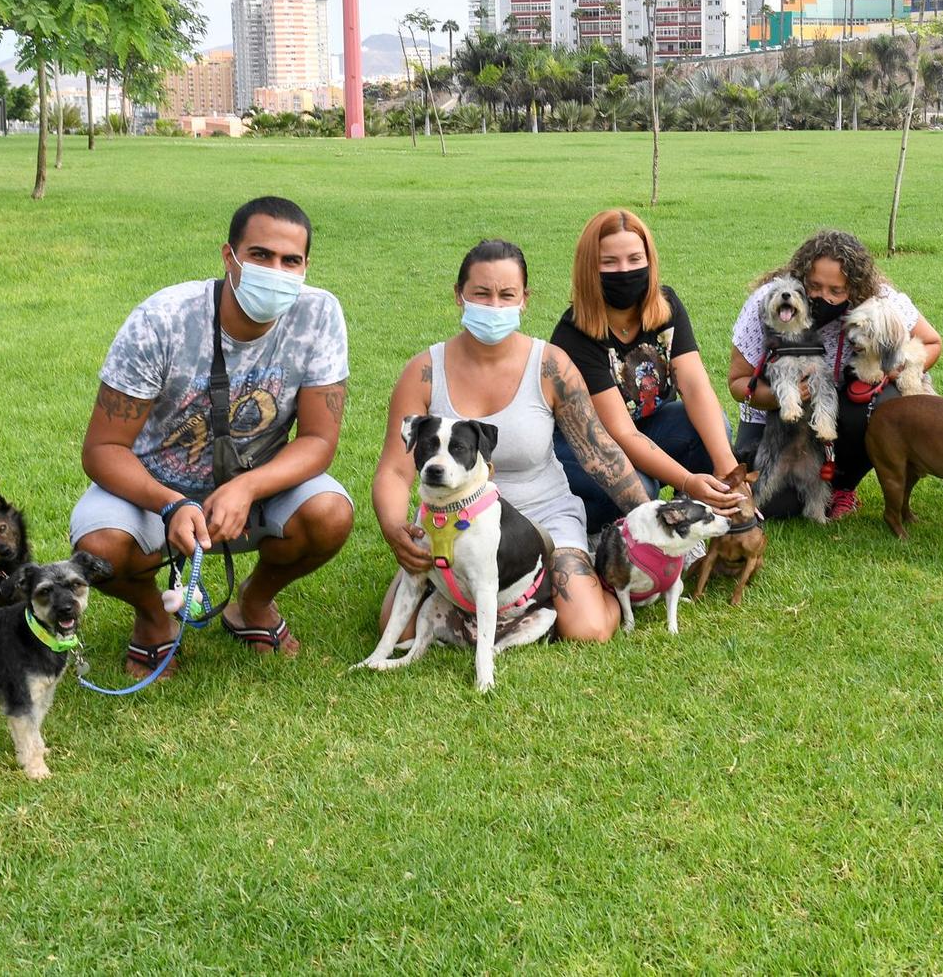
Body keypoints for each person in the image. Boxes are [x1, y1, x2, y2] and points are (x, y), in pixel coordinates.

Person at [72, 196, 354, 680]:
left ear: (307, 266)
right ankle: (153, 618)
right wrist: (170, 504)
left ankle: (251, 603)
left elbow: (319, 441)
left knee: (330, 515)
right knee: (100, 548)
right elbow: (102, 450)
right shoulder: (161, 319)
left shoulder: (319, 314)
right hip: (154, 489)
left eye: (291, 261)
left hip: (257, 484)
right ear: (230, 257)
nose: (276, 270)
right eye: (261, 255)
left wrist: (248, 487)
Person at [372, 239, 655, 642]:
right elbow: (395, 471)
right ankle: (502, 605)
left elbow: (601, 455)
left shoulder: (550, 365)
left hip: (542, 518)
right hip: (452, 523)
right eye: (481, 294)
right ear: (459, 296)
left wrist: (650, 524)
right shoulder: (424, 371)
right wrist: (394, 528)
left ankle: (583, 573)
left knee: (589, 629)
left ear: (525, 299)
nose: (494, 305)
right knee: (394, 631)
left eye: (507, 295)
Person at [549, 209, 745, 534]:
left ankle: (695, 517)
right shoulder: (575, 333)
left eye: (634, 258)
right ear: (589, 268)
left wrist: (728, 468)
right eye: (608, 262)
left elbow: (695, 388)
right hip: (584, 444)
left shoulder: (666, 306)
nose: (624, 270)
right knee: (638, 485)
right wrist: (686, 480)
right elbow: (620, 434)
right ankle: (599, 531)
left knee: (713, 432)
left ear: (649, 260)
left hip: (646, 424)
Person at [725, 229, 942, 521]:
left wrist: (896, 371)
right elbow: (738, 383)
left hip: (842, 408)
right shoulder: (772, 300)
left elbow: (932, 342)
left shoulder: (879, 300)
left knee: (884, 404)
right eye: (814, 286)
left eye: (836, 291)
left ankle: (843, 486)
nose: (822, 297)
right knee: (779, 507)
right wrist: (782, 396)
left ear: (855, 287)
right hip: (774, 417)